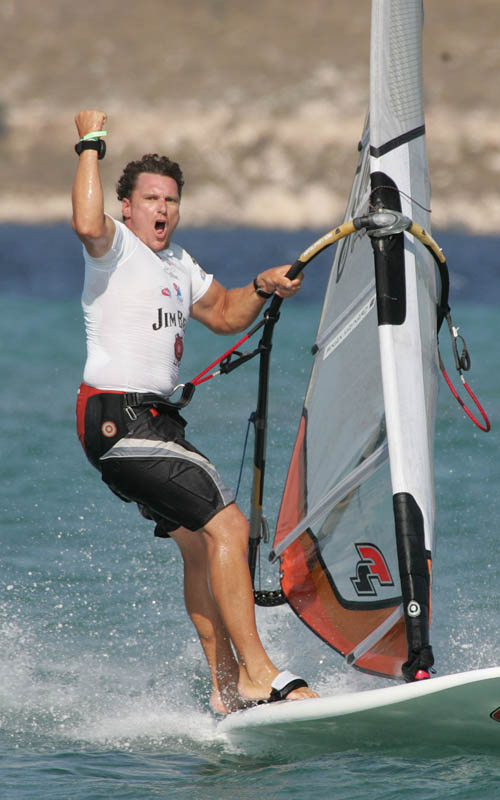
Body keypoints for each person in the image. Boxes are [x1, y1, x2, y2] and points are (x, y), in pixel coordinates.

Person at [72, 109, 318, 714]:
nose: (162, 209)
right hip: (118, 419)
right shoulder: (115, 247)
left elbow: (227, 314)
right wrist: (90, 145)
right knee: (227, 527)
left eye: (171, 200)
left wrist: (261, 286)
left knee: (201, 546)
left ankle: (226, 690)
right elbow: (85, 221)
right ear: (127, 207)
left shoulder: (179, 264)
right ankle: (259, 672)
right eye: (150, 199)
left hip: (156, 423)